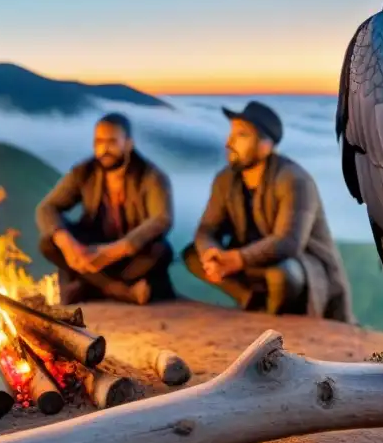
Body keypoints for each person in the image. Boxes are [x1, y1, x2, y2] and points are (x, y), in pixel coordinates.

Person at [183, 101, 355, 322]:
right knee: (193, 254)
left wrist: (238, 258)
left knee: (282, 275)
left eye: (241, 135)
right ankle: (251, 300)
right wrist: (212, 253)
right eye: (231, 134)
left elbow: (288, 242)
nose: (229, 142)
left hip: (297, 265)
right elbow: (207, 228)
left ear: (266, 145)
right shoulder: (226, 179)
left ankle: (272, 323)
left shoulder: (294, 179)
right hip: (249, 264)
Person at [36, 113, 176, 306]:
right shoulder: (84, 171)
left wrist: (115, 250)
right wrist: (68, 244)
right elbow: (47, 208)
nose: (104, 148)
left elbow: (162, 218)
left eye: (112, 141)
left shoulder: (151, 176)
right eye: (99, 142)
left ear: (128, 144)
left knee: (160, 250)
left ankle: (91, 285)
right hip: (93, 247)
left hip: (128, 253)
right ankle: (119, 290)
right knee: (49, 242)